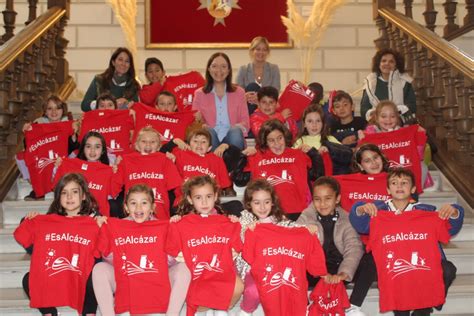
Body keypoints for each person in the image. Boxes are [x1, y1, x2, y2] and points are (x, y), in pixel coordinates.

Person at [349, 168, 463, 316]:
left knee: (448, 269)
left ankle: (426, 305)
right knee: (381, 267)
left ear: (413, 188)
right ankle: (354, 305)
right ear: (388, 189)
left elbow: (450, 230)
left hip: (423, 263)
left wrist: (455, 212)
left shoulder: (426, 212)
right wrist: (361, 209)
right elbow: (360, 224)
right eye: (394, 183)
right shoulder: (378, 212)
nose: (399, 186)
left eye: (404, 183)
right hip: (395, 267)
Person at [15, 173, 105, 316]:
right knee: (28, 279)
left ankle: (89, 312)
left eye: (74, 192)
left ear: (83, 196)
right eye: (64, 193)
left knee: (95, 275)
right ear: (58, 198)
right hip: (56, 275)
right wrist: (27, 221)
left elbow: (102, 253)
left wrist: (102, 227)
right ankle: (49, 312)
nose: (69, 197)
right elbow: (31, 245)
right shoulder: (48, 222)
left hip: (79, 277)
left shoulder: (94, 221)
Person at [93, 184, 190, 316]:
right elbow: (110, 260)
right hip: (127, 279)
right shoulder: (116, 226)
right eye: (133, 203)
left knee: (184, 268)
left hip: (157, 278)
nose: (138, 208)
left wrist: (175, 227)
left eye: (144, 203)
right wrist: (103, 229)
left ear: (152, 207)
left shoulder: (164, 226)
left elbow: (171, 261)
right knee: (99, 268)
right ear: (126, 207)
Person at [166, 175, 244, 315]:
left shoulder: (225, 221)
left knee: (238, 286)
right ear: (190, 199)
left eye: (208, 196)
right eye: (198, 198)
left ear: (215, 196)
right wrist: (173, 225)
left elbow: (237, 249)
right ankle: (212, 307)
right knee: (199, 300)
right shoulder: (182, 223)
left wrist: (234, 223)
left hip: (220, 273)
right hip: (198, 277)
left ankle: (220, 308)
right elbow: (171, 253)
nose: (204, 202)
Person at [233, 119, 320, 220]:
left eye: (280, 138)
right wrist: (242, 156)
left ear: (284, 137)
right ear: (265, 142)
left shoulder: (298, 155)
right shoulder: (257, 156)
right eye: (271, 140)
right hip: (268, 213)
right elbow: (239, 180)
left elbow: (318, 175)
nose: (277, 144)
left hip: (298, 212)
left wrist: (313, 153)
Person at [235, 179, 299, 315]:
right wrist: (248, 230)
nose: (262, 207)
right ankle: (245, 311)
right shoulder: (246, 218)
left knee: (287, 285)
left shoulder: (279, 219)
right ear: (249, 203)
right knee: (254, 290)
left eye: (267, 202)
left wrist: (307, 229)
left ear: (273, 202)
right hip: (251, 267)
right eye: (257, 203)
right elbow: (240, 238)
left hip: (276, 265)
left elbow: (294, 229)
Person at [111, 126, 182, 220]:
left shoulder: (165, 160)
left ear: (159, 146)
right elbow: (113, 189)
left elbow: (179, 189)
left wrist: (181, 209)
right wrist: (114, 171)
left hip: (159, 216)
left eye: (153, 142)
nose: (148, 144)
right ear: (136, 144)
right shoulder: (126, 161)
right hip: (134, 214)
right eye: (143, 141)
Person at [18, 95, 79, 201]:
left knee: (76, 154)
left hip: (62, 159)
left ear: (62, 110)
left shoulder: (68, 123)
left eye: (57, 108)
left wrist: (73, 134)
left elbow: (74, 147)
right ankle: (37, 188)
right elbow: (29, 147)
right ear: (45, 111)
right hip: (43, 160)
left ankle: (62, 186)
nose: (54, 111)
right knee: (21, 157)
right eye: (50, 108)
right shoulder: (38, 124)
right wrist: (27, 134)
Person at [53, 132, 119, 218]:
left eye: (97, 147)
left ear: (103, 150)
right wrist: (57, 168)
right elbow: (58, 188)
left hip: (97, 219)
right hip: (72, 215)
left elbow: (114, 195)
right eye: (88, 146)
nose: (92, 151)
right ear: (83, 148)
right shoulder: (69, 165)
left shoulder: (108, 171)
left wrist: (116, 175)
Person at [193, 52, 249, 150]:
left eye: (223, 66)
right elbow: (195, 123)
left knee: (235, 132)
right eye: (214, 66)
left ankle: (232, 162)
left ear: (228, 70)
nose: (219, 70)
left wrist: (232, 130)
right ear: (209, 69)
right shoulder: (199, 93)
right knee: (208, 132)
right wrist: (200, 122)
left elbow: (245, 122)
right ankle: (214, 163)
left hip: (232, 138)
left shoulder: (239, 92)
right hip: (211, 139)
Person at [293, 104, 353, 175]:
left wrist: (330, 149)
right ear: (304, 124)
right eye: (310, 121)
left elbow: (346, 153)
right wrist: (299, 150)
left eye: (318, 121)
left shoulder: (329, 138)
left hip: (328, 176)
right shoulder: (300, 141)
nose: (314, 125)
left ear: (323, 123)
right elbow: (291, 157)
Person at [360, 48, 416, 123]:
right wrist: (375, 115)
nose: (387, 64)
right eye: (383, 61)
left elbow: (412, 106)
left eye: (391, 61)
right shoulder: (370, 83)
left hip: (400, 124)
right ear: (379, 64)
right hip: (376, 125)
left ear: (396, 65)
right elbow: (364, 109)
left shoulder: (405, 82)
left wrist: (395, 113)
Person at [81, 47, 140, 111]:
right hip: (101, 120)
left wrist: (127, 103)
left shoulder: (134, 85)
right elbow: (84, 105)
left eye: (127, 61)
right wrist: (102, 104)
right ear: (113, 62)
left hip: (123, 120)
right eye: (120, 59)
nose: (123, 64)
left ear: (130, 65)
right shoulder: (99, 80)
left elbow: (137, 109)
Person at [236, 36, 281, 115]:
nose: (261, 52)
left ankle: (252, 124)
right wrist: (246, 96)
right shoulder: (243, 69)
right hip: (247, 107)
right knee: (251, 87)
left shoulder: (274, 69)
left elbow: (275, 92)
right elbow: (237, 93)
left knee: (253, 87)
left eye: (264, 50)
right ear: (252, 51)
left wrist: (260, 97)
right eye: (258, 49)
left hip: (267, 108)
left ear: (267, 52)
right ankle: (252, 122)